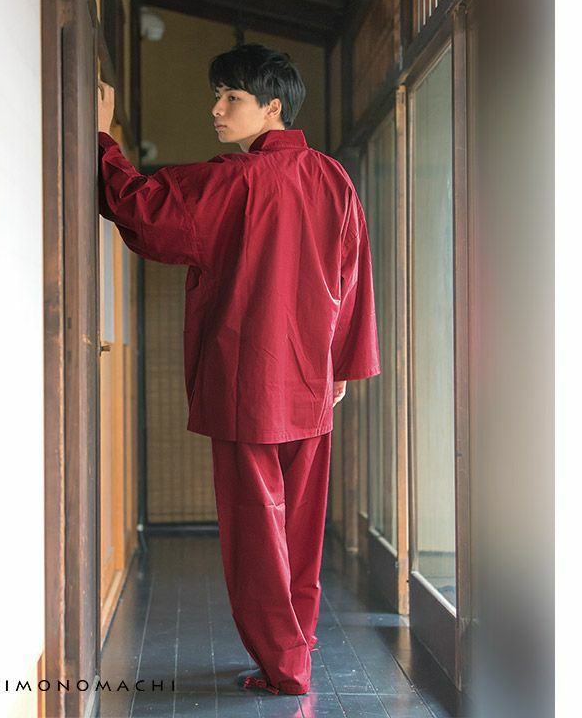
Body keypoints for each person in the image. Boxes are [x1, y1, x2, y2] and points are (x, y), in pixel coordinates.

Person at [97, 43, 380, 696]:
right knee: (299, 530)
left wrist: (103, 140)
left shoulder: (236, 180)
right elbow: (353, 275)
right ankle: (296, 649)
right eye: (217, 95)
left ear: (272, 107)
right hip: (311, 382)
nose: (216, 109)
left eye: (232, 97)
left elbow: (141, 208)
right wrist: (341, 364)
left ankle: (285, 667)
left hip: (247, 379)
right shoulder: (333, 178)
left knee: (257, 533)